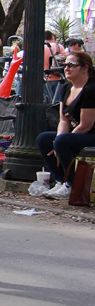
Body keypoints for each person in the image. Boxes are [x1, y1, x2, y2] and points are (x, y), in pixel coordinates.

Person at [36, 50, 95, 199]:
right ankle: (60, 180)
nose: (66, 68)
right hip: (76, 133)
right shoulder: (66, 88)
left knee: (62, 141)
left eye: (72, 65)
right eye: (65, 65)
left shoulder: (91, 89)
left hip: (91, 133)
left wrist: (60, 142)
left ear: (85, 68)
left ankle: (71, 184)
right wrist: (57, 141)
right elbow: (64, 120)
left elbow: (86, 125)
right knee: (44, 139)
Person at [43, 30, 67, 103]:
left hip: (44, 77)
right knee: (58, 102)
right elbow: (65, 60)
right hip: (58, 76)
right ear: (52, 37)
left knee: (46, 102)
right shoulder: (59, 46)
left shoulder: (40, 47)